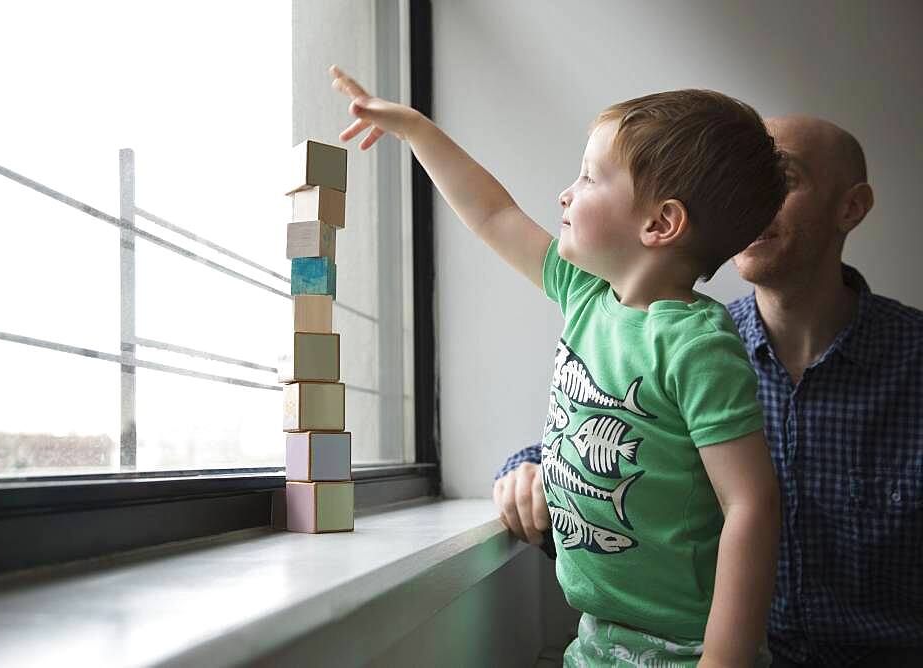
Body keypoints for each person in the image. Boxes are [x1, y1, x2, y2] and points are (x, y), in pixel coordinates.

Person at [330, 65, 785, 666]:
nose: (565, 193)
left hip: (685, 648)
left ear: (660, 223)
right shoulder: (585, 293)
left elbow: (751, 505)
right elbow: (493, 214)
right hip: (599, 636)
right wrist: (416, 131)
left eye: (589, 177)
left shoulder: (696, 345)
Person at [495, 115, 923, 667]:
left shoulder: (911, 362)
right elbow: (609, 433)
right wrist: (531, 468)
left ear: (851, 207)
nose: (749, 204)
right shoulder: (680, 345)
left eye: (779, 182)